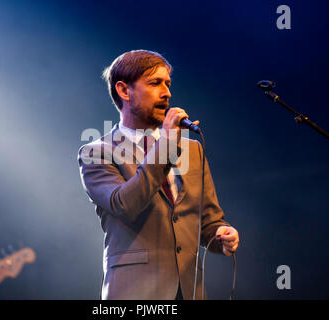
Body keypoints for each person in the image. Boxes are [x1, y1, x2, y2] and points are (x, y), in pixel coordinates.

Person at [78, 50, 239, 300]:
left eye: (168, 84)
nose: (167, 93)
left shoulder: (192, 150)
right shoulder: (96, 152)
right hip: (134, 293)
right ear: (124, 91)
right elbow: (125, 204)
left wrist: (223, 236)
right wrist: (165, 145)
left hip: (189, 291)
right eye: (155, 83)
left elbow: (209, 222)